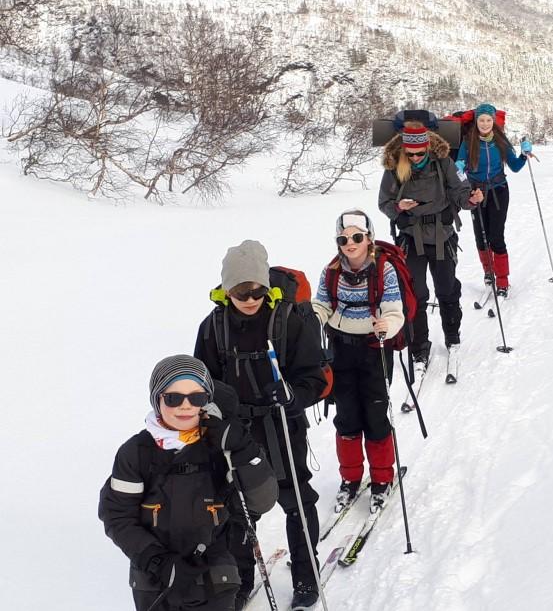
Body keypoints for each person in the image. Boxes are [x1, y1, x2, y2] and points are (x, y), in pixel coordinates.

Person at [194, 240, 326, 611]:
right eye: (241, 291)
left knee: (296, 498)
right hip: (237, 432)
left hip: (282, 423)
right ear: (227, 290)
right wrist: (213, 414)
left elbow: (313, 376)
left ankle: (306, 574)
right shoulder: (213, 327)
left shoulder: (288, 320)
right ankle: (240, 580)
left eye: (256, 290)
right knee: (238, 505)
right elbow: (201, 382)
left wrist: (293, 395)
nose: (250, 298)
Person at [99, 355, 278, 611]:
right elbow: (117, 515)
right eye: (173, 398)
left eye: (196, 397)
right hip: (154, 581)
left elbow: (261, 502)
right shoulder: (136, 452)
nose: (185, 406)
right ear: (157, 399)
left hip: (215, 575)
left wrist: (243, 451)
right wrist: (157, 561)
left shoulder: (222, 446)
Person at [311, 208, 404, 513]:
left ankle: (381, 479)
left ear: (368, 238)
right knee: (347, 417)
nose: (349, 243)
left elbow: (393, 309)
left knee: (376, 417)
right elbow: (322, 303)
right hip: (341, 350)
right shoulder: (331, 271)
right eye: (343, 238)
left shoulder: (385, 269)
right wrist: (311, 319)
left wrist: (387, 326)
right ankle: (350, 479)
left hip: (374, 348)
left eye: (356, 237)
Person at [378, 122, 483, 371]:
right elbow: (384, 202)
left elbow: (460, 192)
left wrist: (471, 199)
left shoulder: (443, 162)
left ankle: (452, 336)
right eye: (410, 154)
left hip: (441, 235)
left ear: (427, 148)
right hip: (411, 237)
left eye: (419, 153)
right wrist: (398, 209)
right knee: (416, 294)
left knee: (447, 289)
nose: (414, 158)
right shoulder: (394, 167)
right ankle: (419, 346)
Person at [454, 103, 532, 297]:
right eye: (482, 120)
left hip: (498, 191)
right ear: (476, 121)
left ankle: (503, 280)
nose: (485, 123)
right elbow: (458, 170)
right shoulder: (468, 141)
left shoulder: (501, 141)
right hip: (476, 193)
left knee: (496, 237)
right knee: (481, 237)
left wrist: (523, 155)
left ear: (494, 121)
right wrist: (459, 168)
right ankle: (489, 274)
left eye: (489, 120)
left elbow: (514, 166)